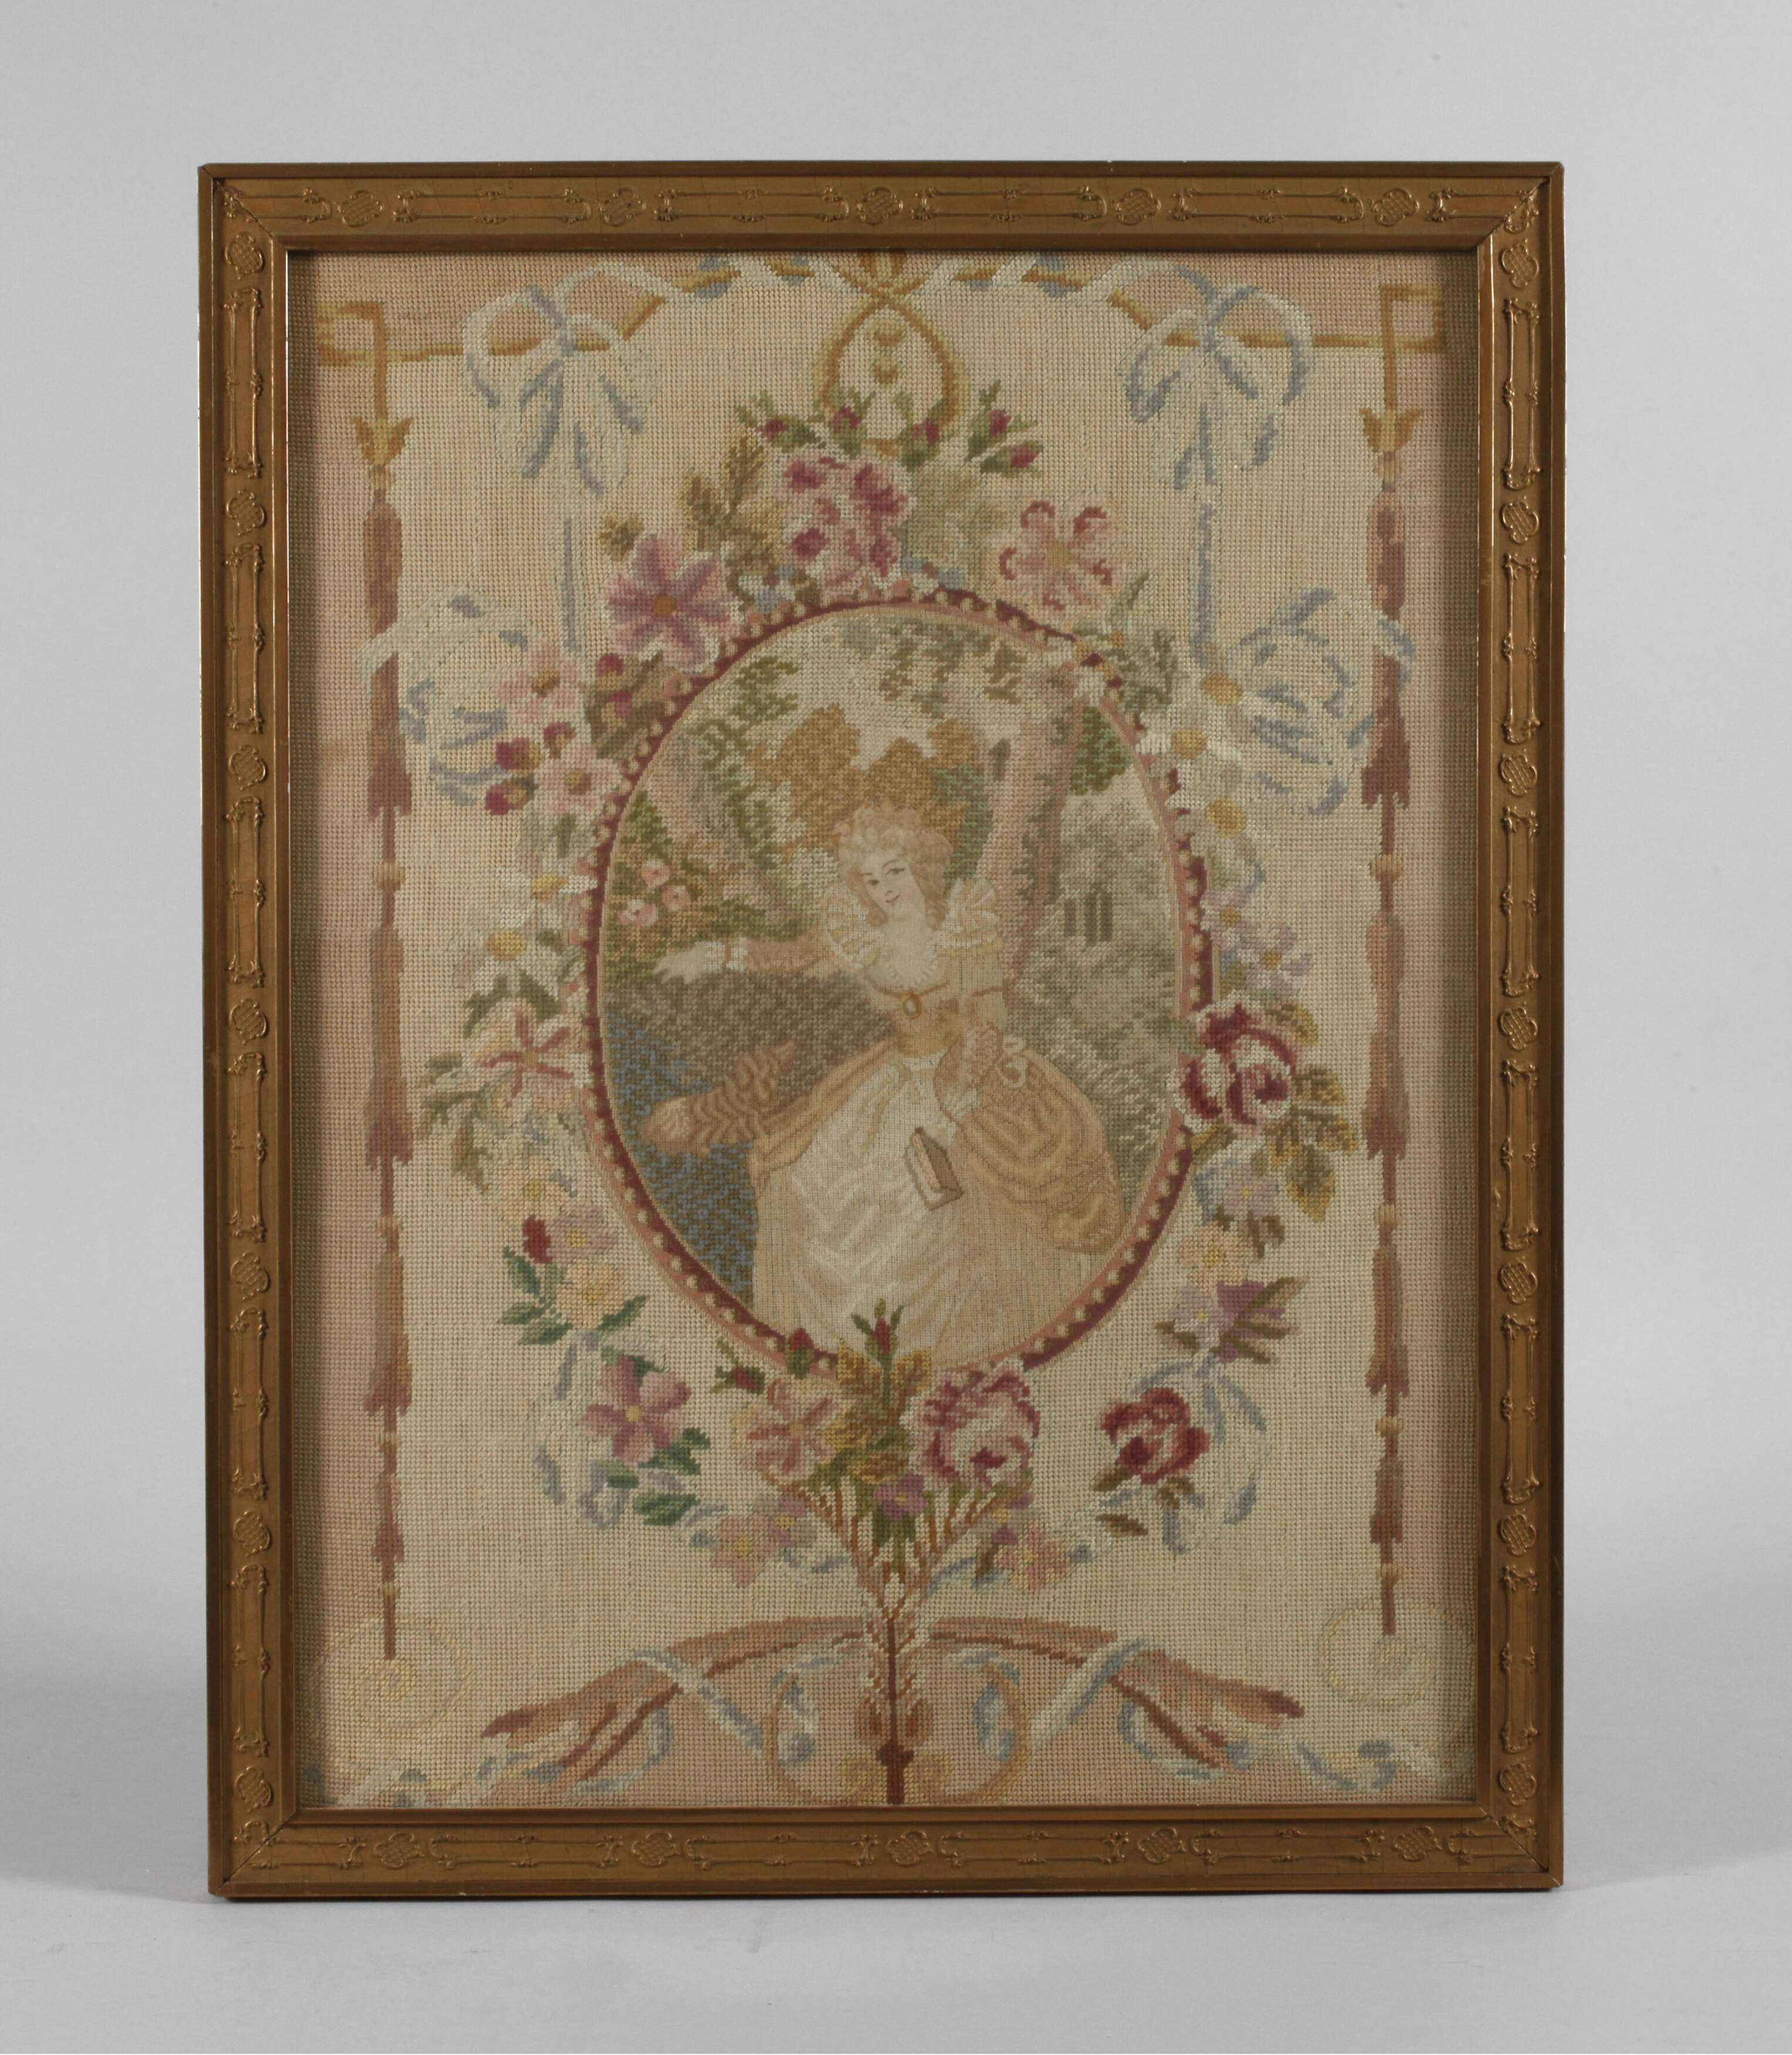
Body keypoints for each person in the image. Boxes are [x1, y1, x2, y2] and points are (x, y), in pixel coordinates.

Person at [645, 803, 1124, 1359]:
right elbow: (794, 957)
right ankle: (840, 1340)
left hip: (968, 1075)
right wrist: (711, 954)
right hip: (892, 1077)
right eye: (871, 880)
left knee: (925, 1200)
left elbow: (986, 1025)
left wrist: (954, 1110)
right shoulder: (863, 934)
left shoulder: (962, 926)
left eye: (894, 871)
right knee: (805, 1175)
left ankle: (938, 1346)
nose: (885, 889)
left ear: (919, 867)